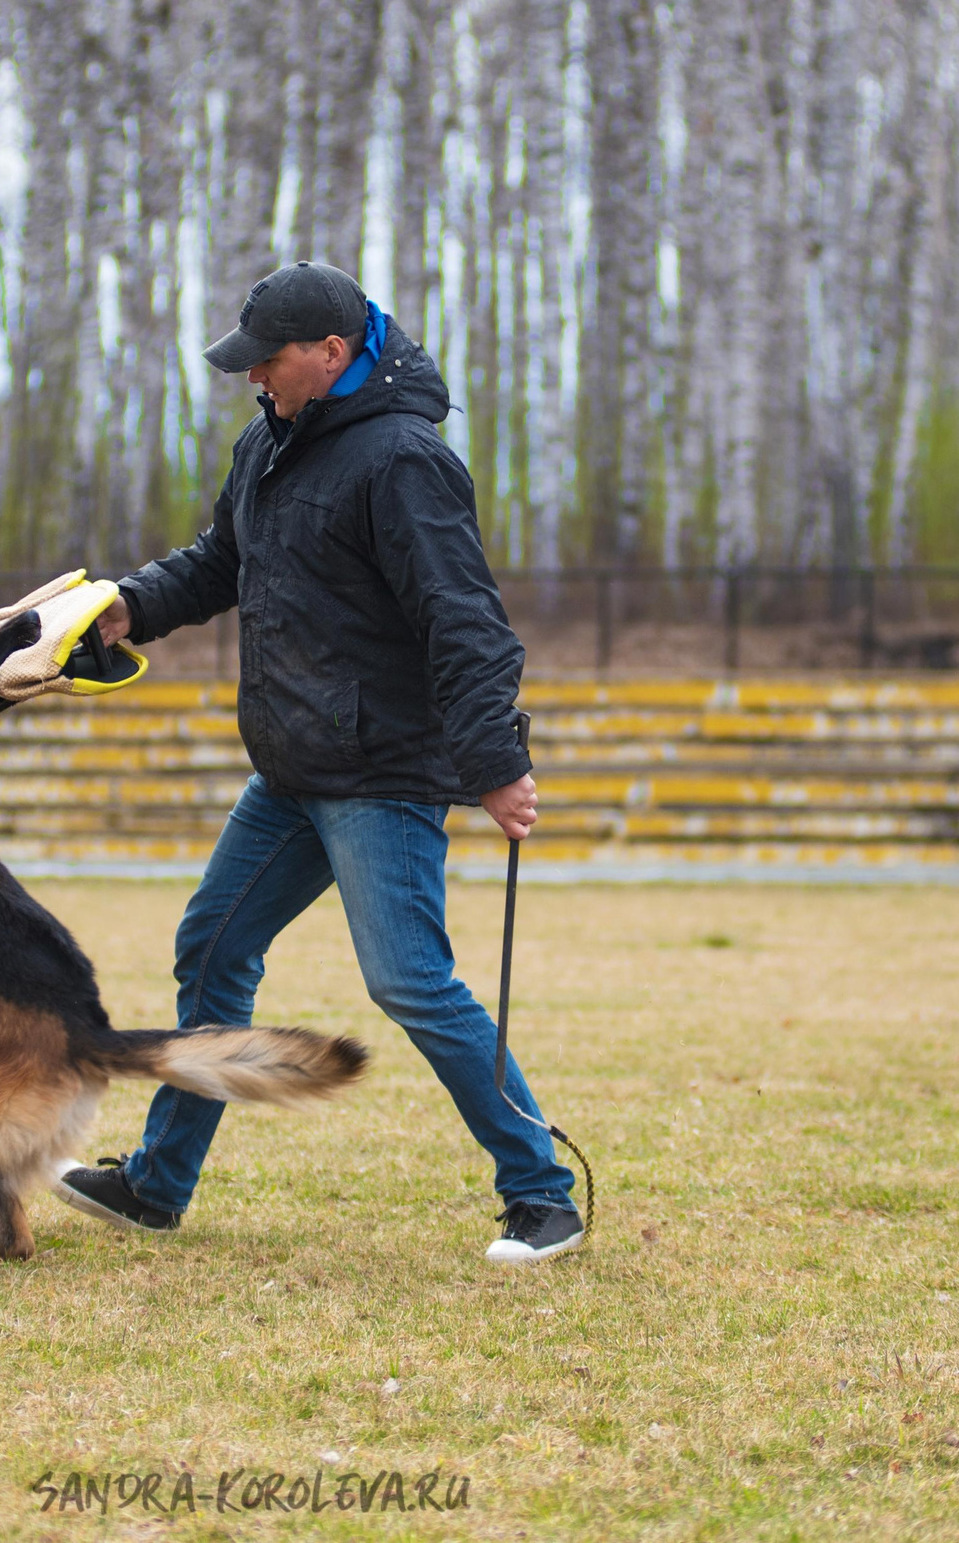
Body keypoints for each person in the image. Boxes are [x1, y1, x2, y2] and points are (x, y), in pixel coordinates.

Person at [48, 259, 584, 1265]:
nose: (252, 375)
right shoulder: (270, 442)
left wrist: (493, 760)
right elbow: (222, 560)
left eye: (267, 359)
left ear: (331, 353)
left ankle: (542, 1193)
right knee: (212, 947)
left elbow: (465, 620)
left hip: (383, 772)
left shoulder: (404, 461)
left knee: (410, 982)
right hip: (291, 770)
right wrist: (131, 604)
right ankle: (155, 1186)